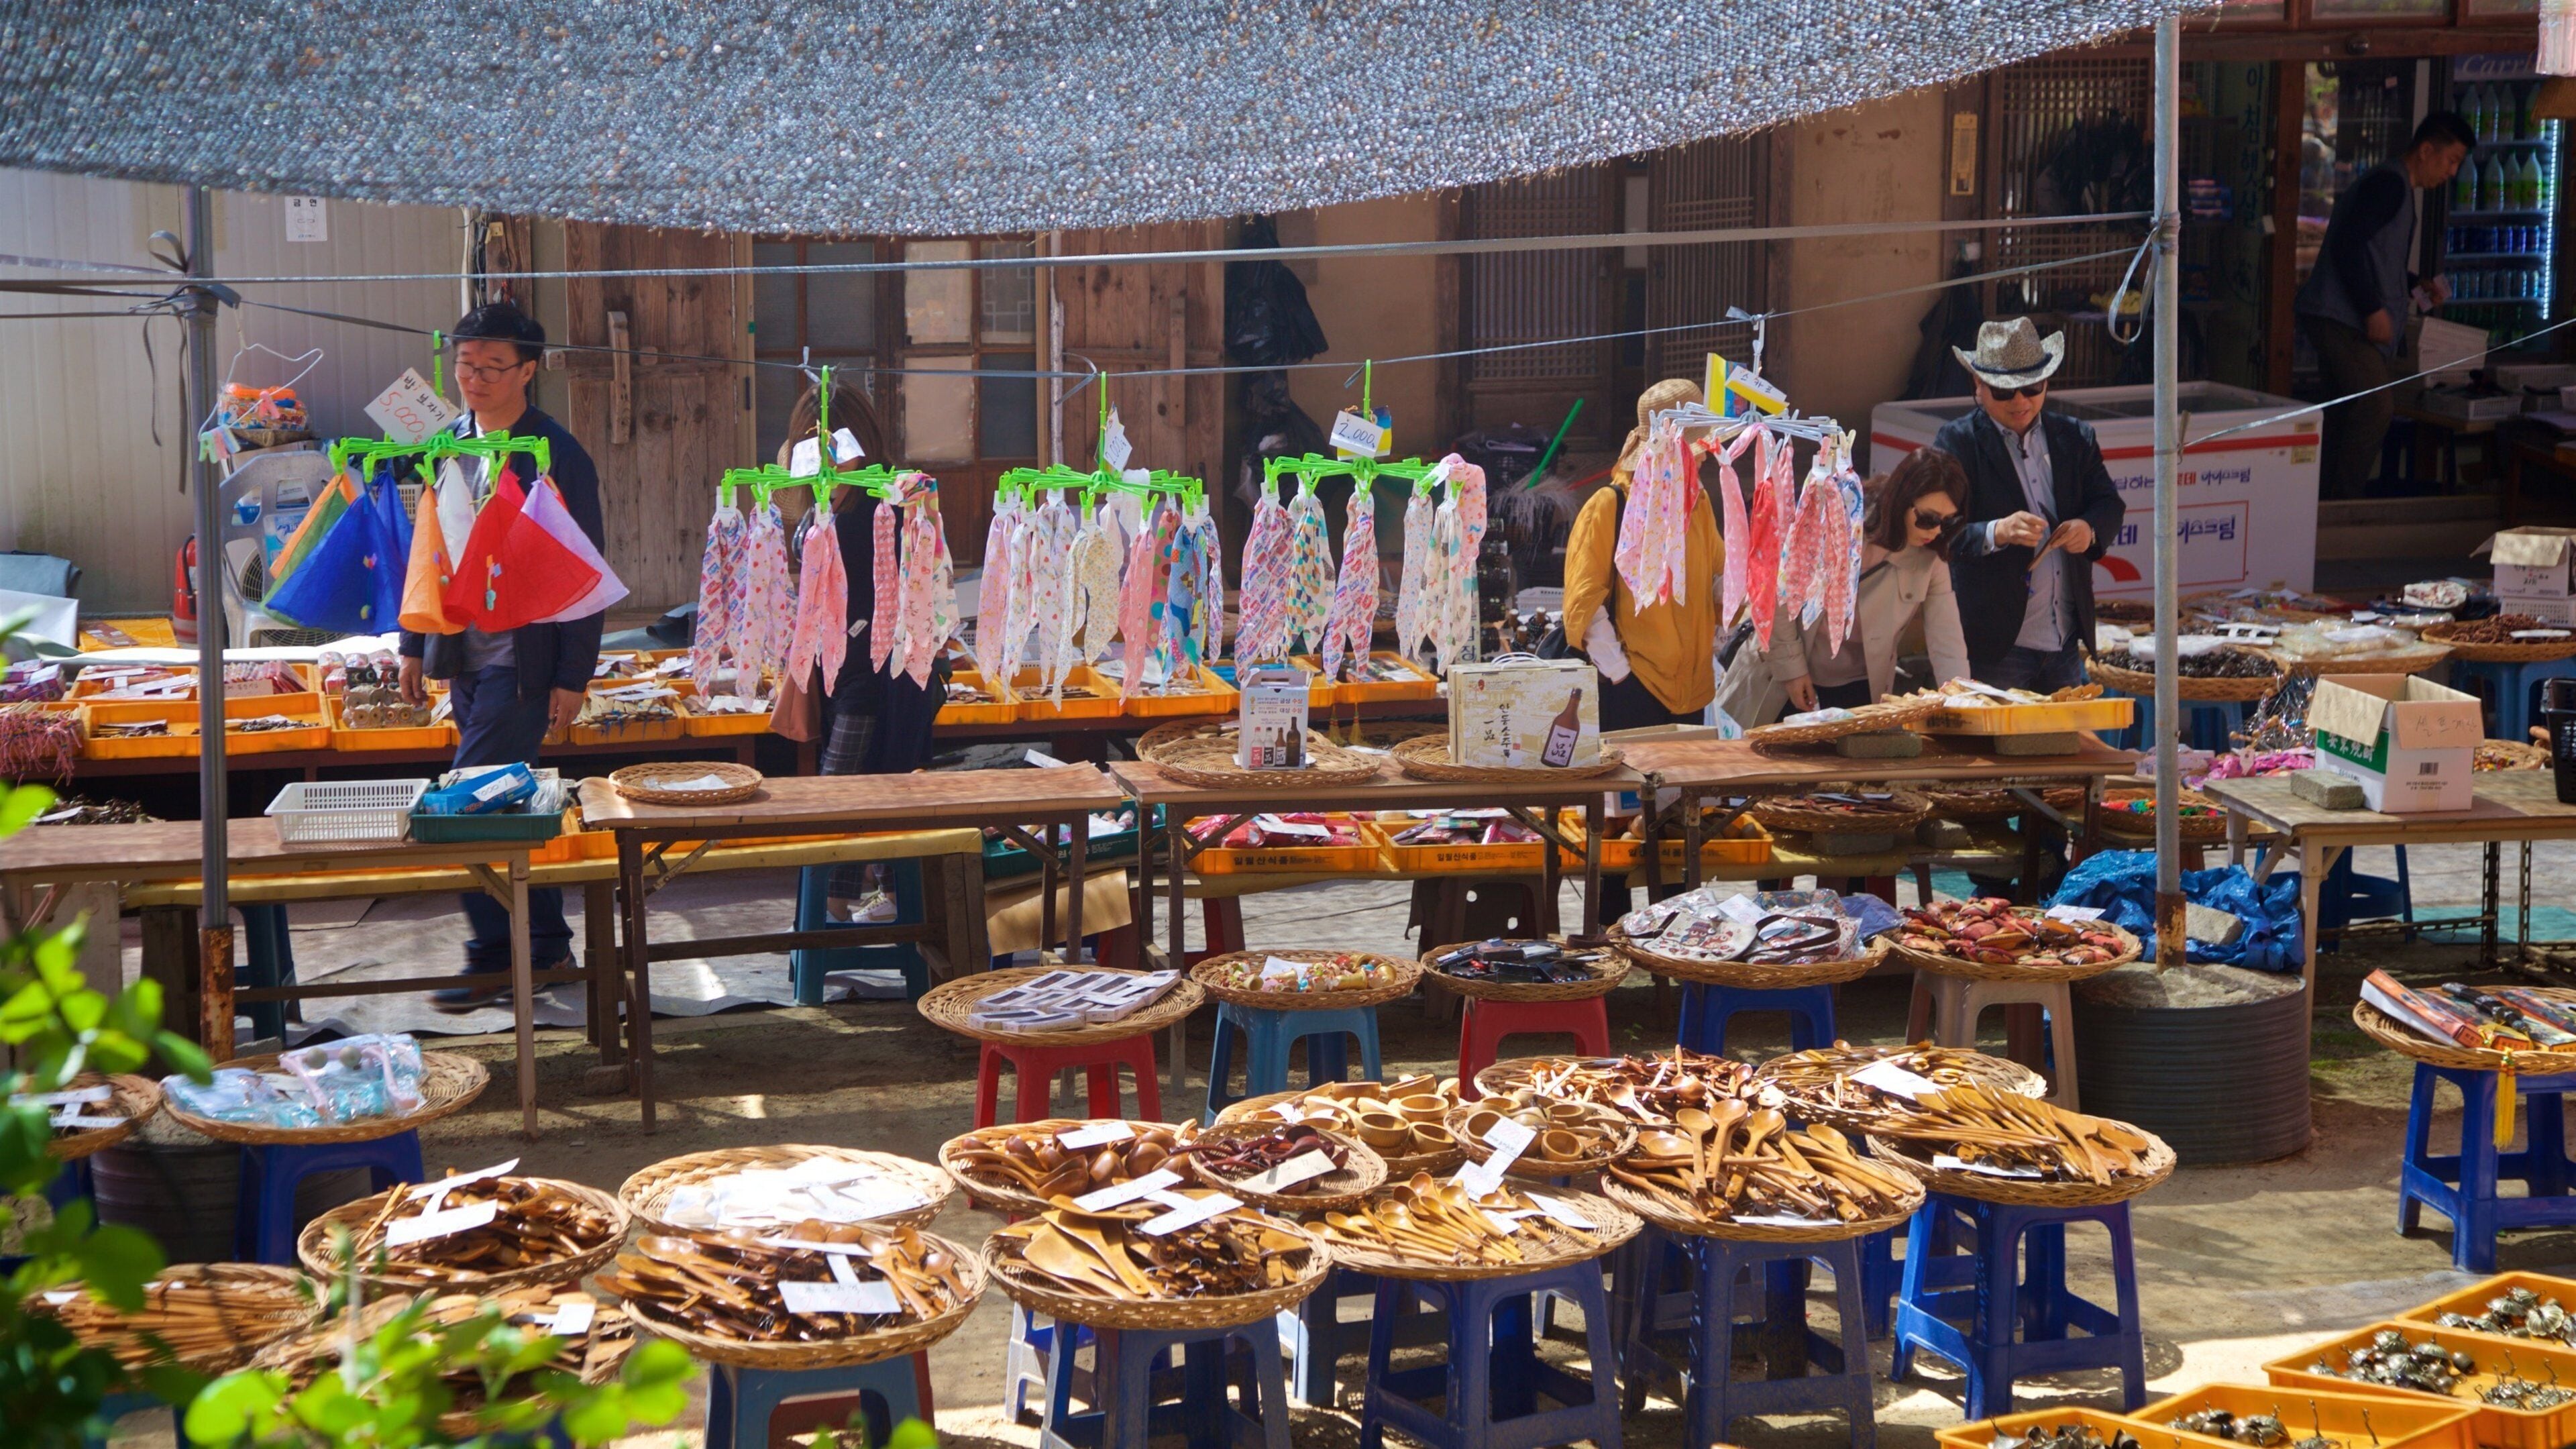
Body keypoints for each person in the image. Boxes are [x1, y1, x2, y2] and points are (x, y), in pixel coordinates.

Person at [397, 303, 605, 1009]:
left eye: (491, 368)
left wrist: (574, 674)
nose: (475, 379)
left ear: (528, 370)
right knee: (502, 805)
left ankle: (492, 956)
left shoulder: (556, 453)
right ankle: (545, 946)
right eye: (465, 366)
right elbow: (428, 551)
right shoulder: (449, 441)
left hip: (526, 659)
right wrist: (413, 645)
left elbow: (584, 569)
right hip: (462, 653)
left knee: (462, 805)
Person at [770, 378, 944, 924]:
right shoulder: (837, 506)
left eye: (832, 454)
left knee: (847, 798)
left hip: (878, 683)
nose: (820, 468)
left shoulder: (879, 509)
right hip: (853, 678)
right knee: (859, 795)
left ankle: (834, 912)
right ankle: (843, 909)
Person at [1720, 447, 1974, 726]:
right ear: (1901, 502)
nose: (1937, 531)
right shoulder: (1838, 516)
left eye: (1950, 522)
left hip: (1861, 688)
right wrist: (1791, 670)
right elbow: (1777, 595)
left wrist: (1961, 701)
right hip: (1781, 676)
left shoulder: (1932, 556)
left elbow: (1946, 638)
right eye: (1929, 518)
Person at [1938, 317, 2126, 692]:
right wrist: (1998, 531)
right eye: (2005, 392)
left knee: (2068, 748)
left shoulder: (2074, 436)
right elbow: (1941, 533)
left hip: (2065, 640)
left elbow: (2108, 504)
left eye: (2031, 387)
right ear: (1979, 385)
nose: (2021, 401)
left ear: (2046, 381)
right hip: (1997, 646)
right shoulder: (1957, 442)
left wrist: (2087, 530)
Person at [2295, 111, 2475, 499]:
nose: (2452, 172)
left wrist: (2414, 285)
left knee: (2343, 413)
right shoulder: (2389, 186)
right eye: (2452, 160)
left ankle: (2322, 505)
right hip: (2343, 318)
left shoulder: (2395, 187)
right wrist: (2372, 309)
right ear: (2427, 150)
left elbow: (2377, 260)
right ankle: (2342, 506)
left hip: (2340, 315)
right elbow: (2348, 245)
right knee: (2376, 408)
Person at [1561, 377, 1723, 731]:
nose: (1701, 462)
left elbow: (1716, 575)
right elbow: (1584, 599)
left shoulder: (1699, 503)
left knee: (1684, 786)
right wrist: (1620, 674)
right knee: (1636, 785)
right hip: (1634, 686)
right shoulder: (1610, 504)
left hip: (1693, 688)